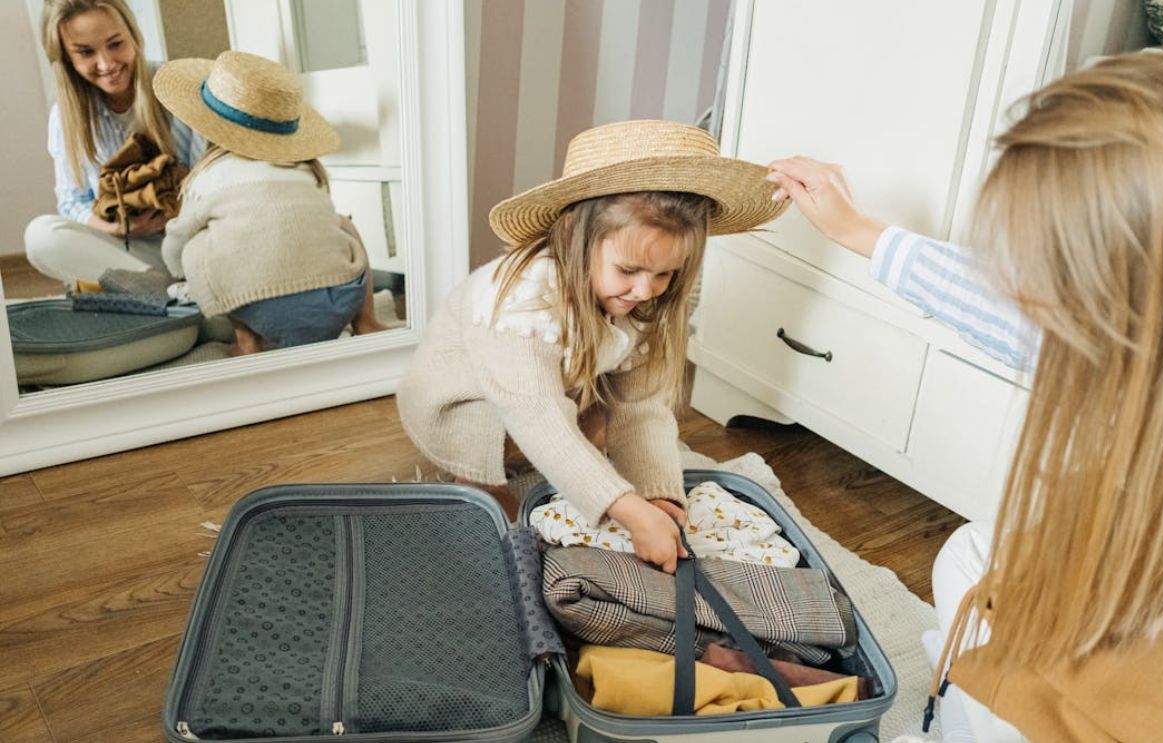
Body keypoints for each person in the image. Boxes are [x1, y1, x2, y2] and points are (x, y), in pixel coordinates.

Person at [767, 48, 1163, 741]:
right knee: (970, 555)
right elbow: (1007, 310)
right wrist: (858, 231)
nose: (1027, 298)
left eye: (1053, 276)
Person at [395, 119, 787, 574]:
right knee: (504, 460)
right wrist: (625, 508)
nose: (645, 290)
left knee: (609, 418)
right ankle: (478, 479)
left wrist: (655, 492)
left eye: (665, 275)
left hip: (555, 384)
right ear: (572, 235)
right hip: (463, 399)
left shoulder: (634, 299)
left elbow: (642, 406)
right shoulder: (520, 296)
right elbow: (535, 411)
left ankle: (570, 471)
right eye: (629, 270)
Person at [153, 50, 386, 355]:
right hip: (339, 301)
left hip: (263, 310)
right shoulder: (304, 169)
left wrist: (175, 268)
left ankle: (248, 343)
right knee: (343, 224)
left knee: (199, 244)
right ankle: (366, 322)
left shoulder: (205, 178)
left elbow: (178, 238)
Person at [26, 0, 203, 286]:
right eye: (85, 52)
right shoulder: (65, 117)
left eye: (115, 44)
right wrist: (122, 227)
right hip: (129, 249)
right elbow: (72, 203)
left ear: (133, 35)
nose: (107, 64)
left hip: (191, 244)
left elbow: (207, 188)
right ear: (67, 58)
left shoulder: (178, 89)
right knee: (41, 235)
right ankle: (166, 294)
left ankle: (162, 297)